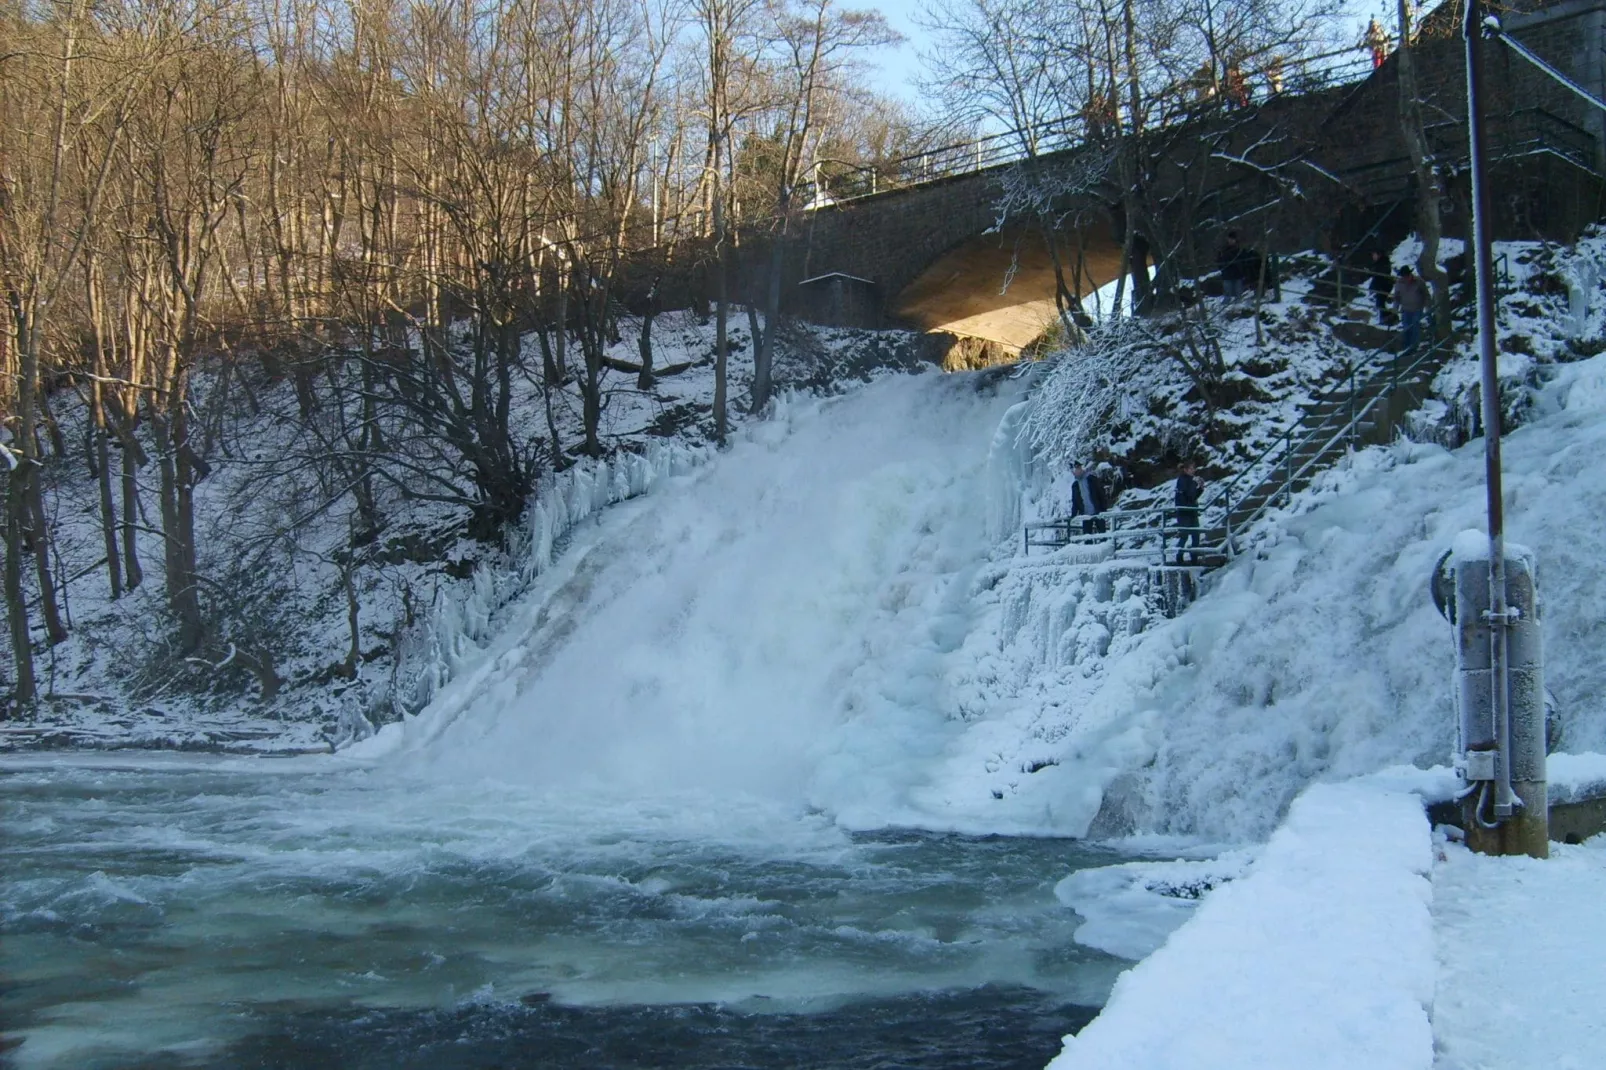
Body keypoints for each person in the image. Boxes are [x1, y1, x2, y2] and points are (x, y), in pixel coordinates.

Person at [1173, 461, 1205, 566]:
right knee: (1184, 536)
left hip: (1192, 512)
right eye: (1191, 469)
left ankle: (1193, 557)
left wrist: (1200, 488)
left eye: (1193, 469)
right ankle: (1179, 557)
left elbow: (1193, 496)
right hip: (1184, 513)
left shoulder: (1191, 481)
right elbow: (1188, 496)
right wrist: (1197, 485)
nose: (1193, 471)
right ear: (1185, 470)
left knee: (1195, 535)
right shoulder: (1182, 480)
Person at [1393, 264, 1429, 354]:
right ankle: (1406, 345)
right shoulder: (1399, 283)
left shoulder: (1419, 281)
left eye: (1407, 276)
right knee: (1406, 326)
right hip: (1405, 308)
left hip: (1417, 308)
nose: (1405, 278)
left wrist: (1427, 306)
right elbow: (1396, 297)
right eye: (1403, 276)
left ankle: (1414, 345)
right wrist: (1395, 309)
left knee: (1415, 325)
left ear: (1410, 275)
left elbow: (1426, 294)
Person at [1070, 462, 1107, 536]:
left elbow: (1101, 494)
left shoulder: (1091, 479)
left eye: (1079, 468)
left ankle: (1105, 546)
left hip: (1098, 511)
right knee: (1087, 538)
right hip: (1085, 514)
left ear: (1082, 469)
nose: (1077, 471)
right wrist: (1073, 516)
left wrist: (1103, 509)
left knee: (1103, 535)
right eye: (1075, 469)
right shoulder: (1075, 485)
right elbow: (1075, 502)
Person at [1367, 250, 1394, 324]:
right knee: (1380, 303)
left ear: (1378, 255)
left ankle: (1386, 318)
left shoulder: (1383, 262)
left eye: (1374, 255)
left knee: (1380, 302)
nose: (1373, 257)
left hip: (1384, 284)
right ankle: (1385, 318)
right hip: (1382, 284)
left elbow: (1380, 274)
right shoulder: (1380, 262)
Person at [1218, 230, 1246, 300]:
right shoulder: (1223, 249)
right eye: (1230, 239)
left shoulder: (1240, 249)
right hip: (1227, 274)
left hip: (1238, 273)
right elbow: (1219, 260)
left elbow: (1243, 260)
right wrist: (1222, 268)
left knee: (1238, 294)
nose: (1231, 241)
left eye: (1232, 239)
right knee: (1227, 294)